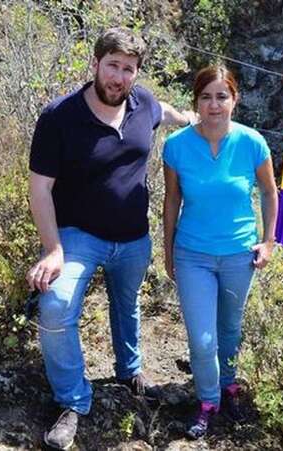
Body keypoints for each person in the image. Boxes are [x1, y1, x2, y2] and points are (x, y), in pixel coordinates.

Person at [26, 27, 195, 450]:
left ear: (137, 73)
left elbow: (165, 112)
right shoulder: (59, 117)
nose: (119, 77)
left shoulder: (144, 104)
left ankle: (129, 372)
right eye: (112, 66)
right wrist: (53, 249)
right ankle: (72, 401)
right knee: (56, 306)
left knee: (127, 304)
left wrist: (189, 118)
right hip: (77, 237)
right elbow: (39, 189)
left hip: (133, 237)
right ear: (96, 64)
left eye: (128, 69)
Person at [162, 65, 278, 439]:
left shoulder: (252, 143)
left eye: (221, 97)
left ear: (234, 99)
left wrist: (269, 241)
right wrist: (168, 250)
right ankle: (208, 401)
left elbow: (270, 192)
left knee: (229, 328)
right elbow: (171, 201)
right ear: (196, 101)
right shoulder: (176, 146)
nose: (214, 105)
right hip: (192, 254)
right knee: (202, 339)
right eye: (206, 97)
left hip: (238, 255)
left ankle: (228, 385)